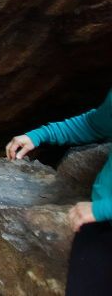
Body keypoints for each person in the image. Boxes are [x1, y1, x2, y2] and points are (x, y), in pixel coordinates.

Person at [6, 88, 112, 295]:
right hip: (101, 227)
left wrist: (104, 209)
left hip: (100, 213)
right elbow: (95, 124)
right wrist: (39, 135)